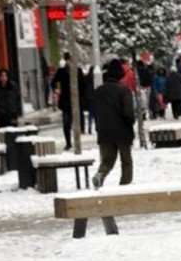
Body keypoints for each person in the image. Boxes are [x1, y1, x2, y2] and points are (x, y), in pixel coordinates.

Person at [91, 58, 135, 189]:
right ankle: (124, 187)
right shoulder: (123, 91)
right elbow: (128, 113)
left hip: (104, 132)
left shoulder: (98, 91)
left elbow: (94, 111)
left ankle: (100, 175)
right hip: (122, 132)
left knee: (107, 161)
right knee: (126, 161)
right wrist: (130, 125)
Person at [50, 52, 86, 150]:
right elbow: (53, 82)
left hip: (76, 101)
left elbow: (83, 86)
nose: (69, 62)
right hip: (66, 101)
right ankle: (68, 142)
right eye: (68, 60)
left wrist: (81, 97)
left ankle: (77, 142)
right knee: (66, 123)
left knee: (77, 124)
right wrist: (56, 89)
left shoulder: (78, 71)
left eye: (71, 60)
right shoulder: (61, 71)